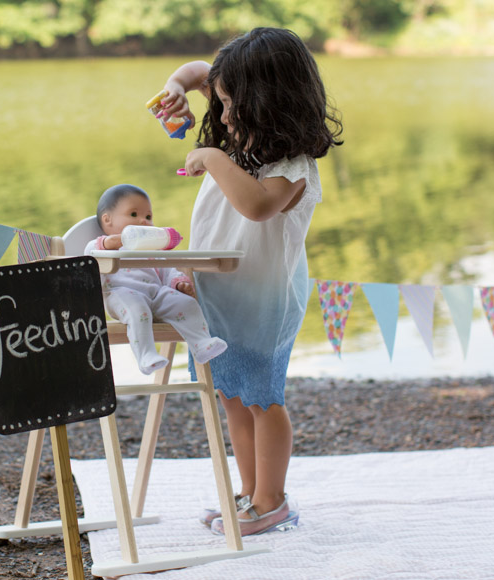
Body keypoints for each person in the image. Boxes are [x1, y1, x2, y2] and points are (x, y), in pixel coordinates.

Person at [158, 27, 343, 535]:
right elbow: (200, 72)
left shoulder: (291, 167)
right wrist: (178, 85)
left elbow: (257, 208)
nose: (220, 114)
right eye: (217, 102)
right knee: (233, 395)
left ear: (268, 101)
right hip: (222, 292)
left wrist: (212, 157)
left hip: (265, 300)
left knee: (263, 397)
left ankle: (272, 500)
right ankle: (247, 492)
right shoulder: (244, 145)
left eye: (228, 104)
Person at [83, 184, 227, 375]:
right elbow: (89, 254)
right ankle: (146, 355)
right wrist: (113, 242)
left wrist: (179, 282)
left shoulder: (151, 249)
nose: (143, 221)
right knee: (138, 310)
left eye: (149, 217)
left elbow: (168, 271)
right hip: (122, 295)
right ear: (108, 220)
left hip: (156, 294)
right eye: (133, 215)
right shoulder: (103, 246)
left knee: (186, 304)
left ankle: (201, 343)